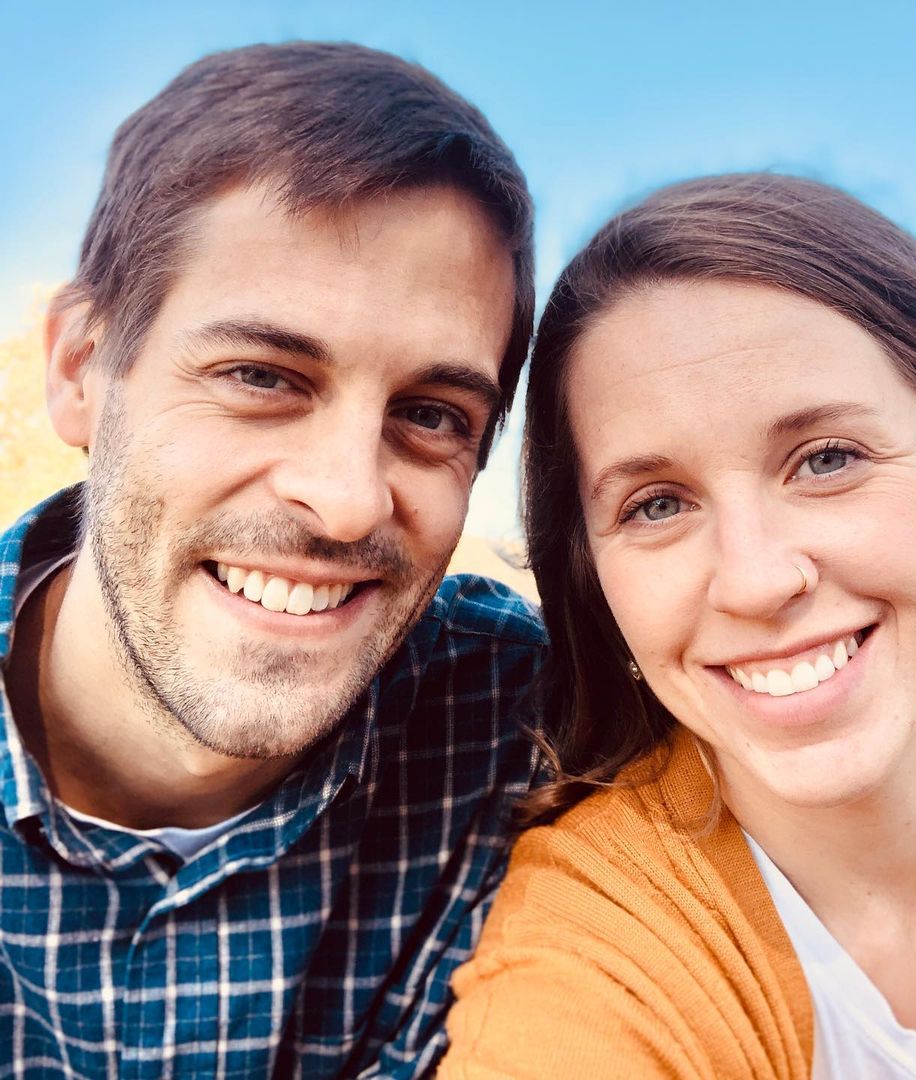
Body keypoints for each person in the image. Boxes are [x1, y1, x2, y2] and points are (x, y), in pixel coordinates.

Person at [441, 174, 916, 1078]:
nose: (756, 581)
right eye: (657, 504)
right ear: (595, 584)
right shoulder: (597, 944)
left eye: (827, 459)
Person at [0, 42, 544, 1077]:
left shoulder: (523, 733)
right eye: (261, 375)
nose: (347, 500)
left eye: (432, 414)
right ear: (80, 370)